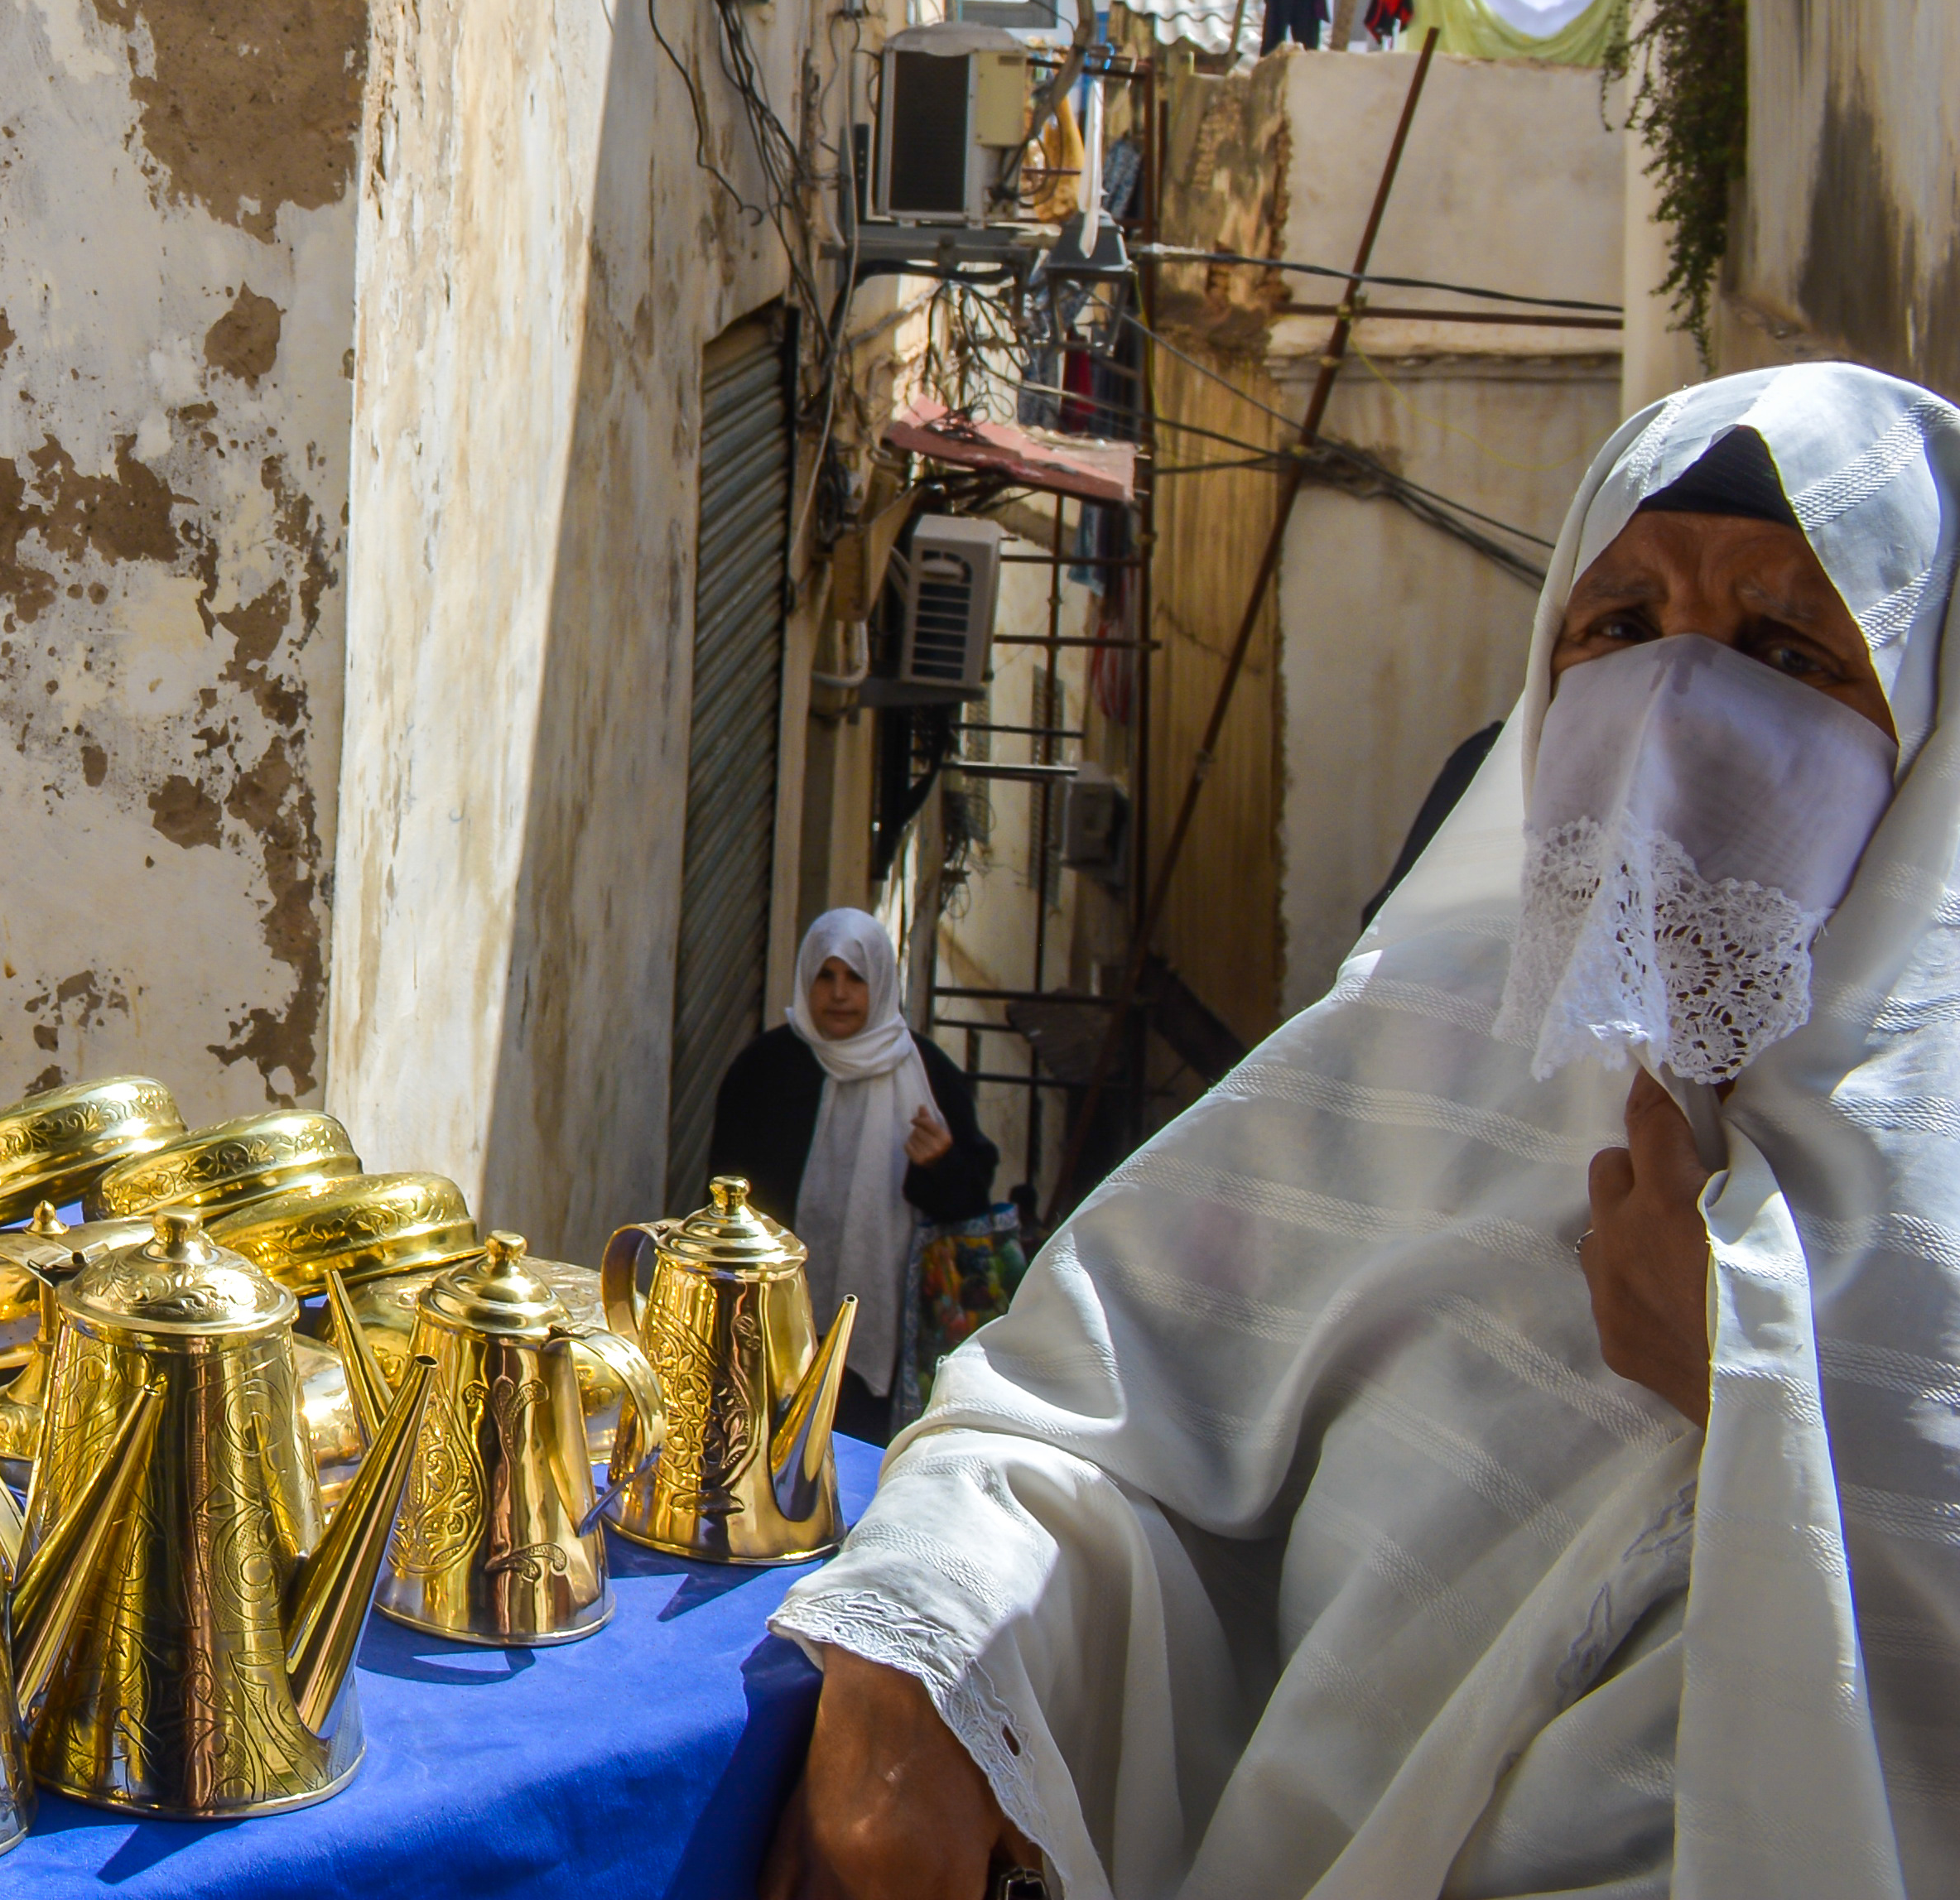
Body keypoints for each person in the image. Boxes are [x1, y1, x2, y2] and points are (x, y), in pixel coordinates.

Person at [760, 370, 1960, 1900]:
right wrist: (917, 1658)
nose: (1675, 707)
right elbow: (1077, 1435)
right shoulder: (1409, 1073)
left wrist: (1764, 1382)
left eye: (1789, 654)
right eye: (1619, 630)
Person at [704, 910, 998, 1444]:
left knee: (857, 1461)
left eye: (856, 978)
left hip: (885, 1329)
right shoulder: (764, 1071)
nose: (839, 994)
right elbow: (719, 1199)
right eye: (826, 976)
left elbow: (970, 1203)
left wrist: (942, 1162)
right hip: (772, 1322)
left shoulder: (928, 1076)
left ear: (881, 982)